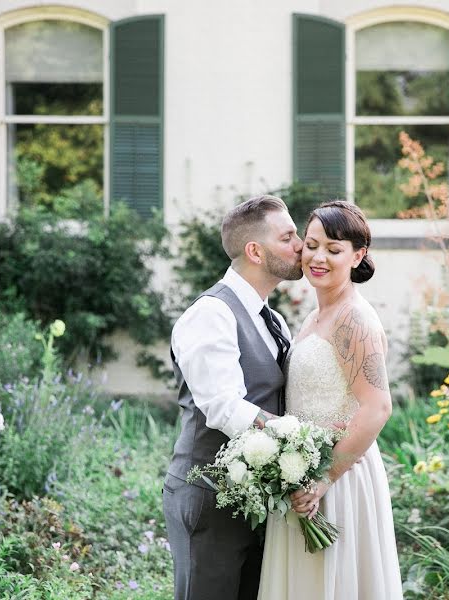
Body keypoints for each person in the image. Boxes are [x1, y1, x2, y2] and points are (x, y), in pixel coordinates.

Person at [257, 200, 403, 599]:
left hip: (338, 480)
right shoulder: (314, 317)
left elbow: (377, 407)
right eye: (312, 244)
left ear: (358, 256)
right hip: (302, 472)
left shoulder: (355, 319)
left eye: (334, 250)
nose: (318, 257)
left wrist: (324, 479)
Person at [163, 194, 303, 600]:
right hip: (209, 494)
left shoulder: (272, 319)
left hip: (255, 498)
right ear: (255, 251)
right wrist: (296, 440)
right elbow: (223, 407)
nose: (300, 245)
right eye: (288, 236)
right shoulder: (211, 313)